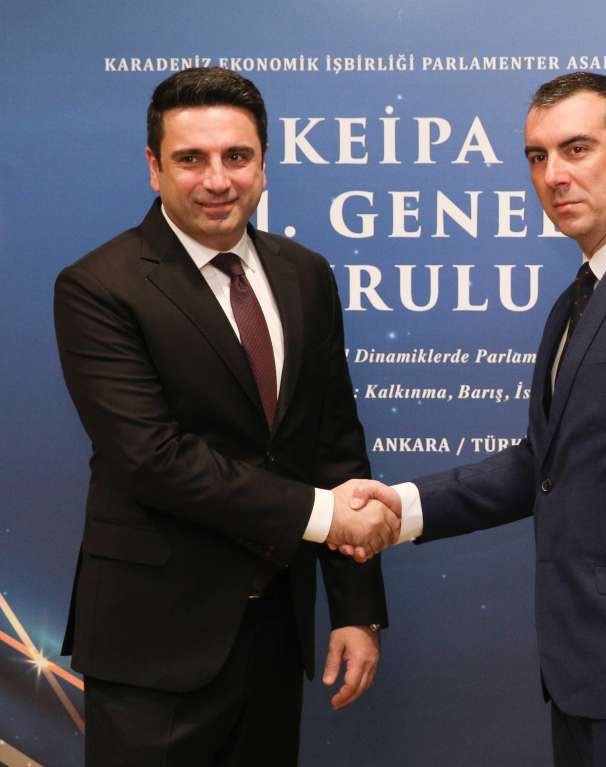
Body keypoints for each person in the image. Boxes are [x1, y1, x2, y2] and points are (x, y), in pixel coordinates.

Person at [343, 72, 606, 765]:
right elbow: (545, 464)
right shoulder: (583, 294)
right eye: (537, 157)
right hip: (593, 674)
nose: (554, 175)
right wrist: (404, 508)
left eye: (577, 149)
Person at [53, 67, 397, 767]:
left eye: (237, 156)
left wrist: (356, 608)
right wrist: (324, 516)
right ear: (154, 168)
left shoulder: (306, 274)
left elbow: (334, 444)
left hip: (275, 635)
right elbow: (153, 458)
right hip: (153, 645)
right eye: (191, 158)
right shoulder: (98, 286)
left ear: (263, 164)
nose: (217, 180)